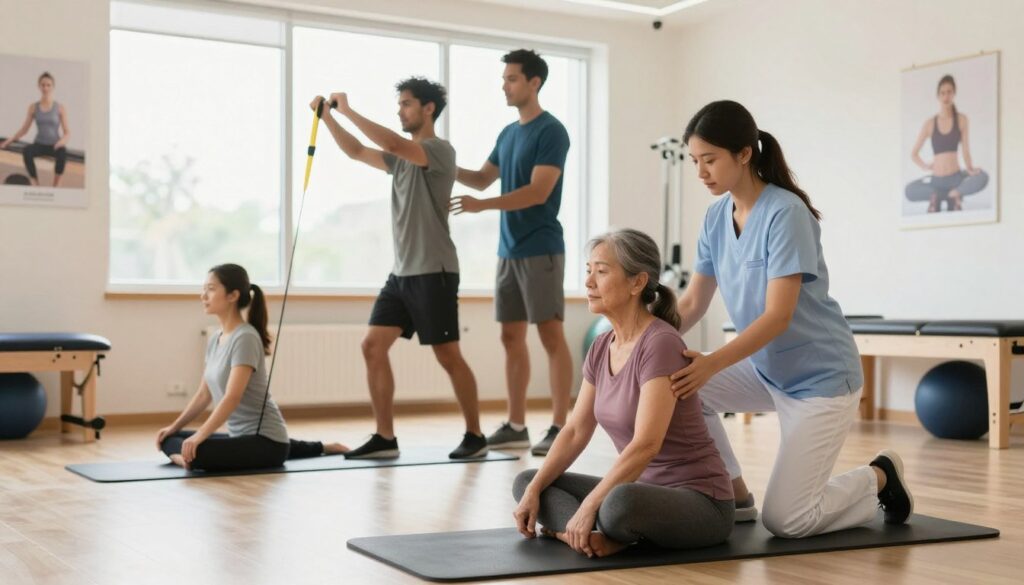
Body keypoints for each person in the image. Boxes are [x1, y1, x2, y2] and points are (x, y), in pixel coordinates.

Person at [669, 100, 913, 538]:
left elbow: (777, 317)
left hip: (819, 379)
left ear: (744, 154)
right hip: (767, 371)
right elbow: (691, 305)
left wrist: (713, 362)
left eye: (710, 160)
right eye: (694, 162)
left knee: (788, 521)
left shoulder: (786, 213)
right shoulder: (714, 217)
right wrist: (643, 341)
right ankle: (735, 493)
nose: (701, 172)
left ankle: (878, 476)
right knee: (679, 384)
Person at [512, 229, 734, 558]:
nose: (589, 282)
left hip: (700, 503)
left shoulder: (661, 343)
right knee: (530, 482)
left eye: (601, 272)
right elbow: (574, 430)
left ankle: (596, 531)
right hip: (641, 491)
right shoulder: (602, 346)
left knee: (617, 504)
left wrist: (591, 504)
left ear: (637, 283)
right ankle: (595, 537)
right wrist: (534, 489)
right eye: (588, 271)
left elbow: (646, 444)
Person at [312, 77, 486, 460]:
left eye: (406, 104)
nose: (400, 110)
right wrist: (328, 119)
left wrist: (349, 108)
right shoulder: (401, 161)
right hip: (401, 273)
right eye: (400, 105)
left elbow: (391, 143)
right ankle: (385, 438)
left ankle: (475, 435)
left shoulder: (440, 151)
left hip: (434, 271)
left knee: (447, 355)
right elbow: (358, 150)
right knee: (372, 346)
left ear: (428, 109)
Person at [453, 49, 572, 456]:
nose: (504, 85)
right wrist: (437, 160)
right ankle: (516, 424)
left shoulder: (551, 131)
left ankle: (560, 426)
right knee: (510, 336)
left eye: (512, 79)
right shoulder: (508, 134)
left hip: (541, 248)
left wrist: (480, 207)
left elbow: (538, 192)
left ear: (534, 83)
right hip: (508, 251)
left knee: (551, 335)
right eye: (504, 78)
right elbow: (483, 179)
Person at [157, 264, 347, 471]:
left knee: (195, 451)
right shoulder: (215, 339)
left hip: (265, 441)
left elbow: (232, 397)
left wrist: (200, 436)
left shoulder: (245, 337)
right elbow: (204, 394)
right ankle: (324, 447)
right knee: (170, 438)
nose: (203, 295)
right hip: (241, 438)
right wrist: (174, 427)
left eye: (211, 289)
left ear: (233, 295)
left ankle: (186, 459)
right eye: (204, 288)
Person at [905, 74, 989, 212]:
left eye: (949, 92)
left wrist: (970, 168)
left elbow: (966, 150)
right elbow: (914, 154)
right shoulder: (930, 123)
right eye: (942, 93)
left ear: (954, 94)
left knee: (983, 176)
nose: (946, 96)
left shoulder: (962, 119)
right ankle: (943, 196)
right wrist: (925, 166)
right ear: (938, 96)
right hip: (936, 180)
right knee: (909, 190)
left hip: (955, 179)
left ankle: (952, 194)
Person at [0, 72, 70, 187]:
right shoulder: (33, 107)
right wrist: (7, 142)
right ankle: (35, 183)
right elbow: (24, 129)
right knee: (27, 151)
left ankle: (56, 185)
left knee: (62, 153)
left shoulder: (60, 108)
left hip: (55, 145)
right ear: (39, 86)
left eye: (48, 85)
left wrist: (61, 142)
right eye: (43, 85)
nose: (45, 88)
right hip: (39, 144)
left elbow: (67, 132)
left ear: (53, 87)